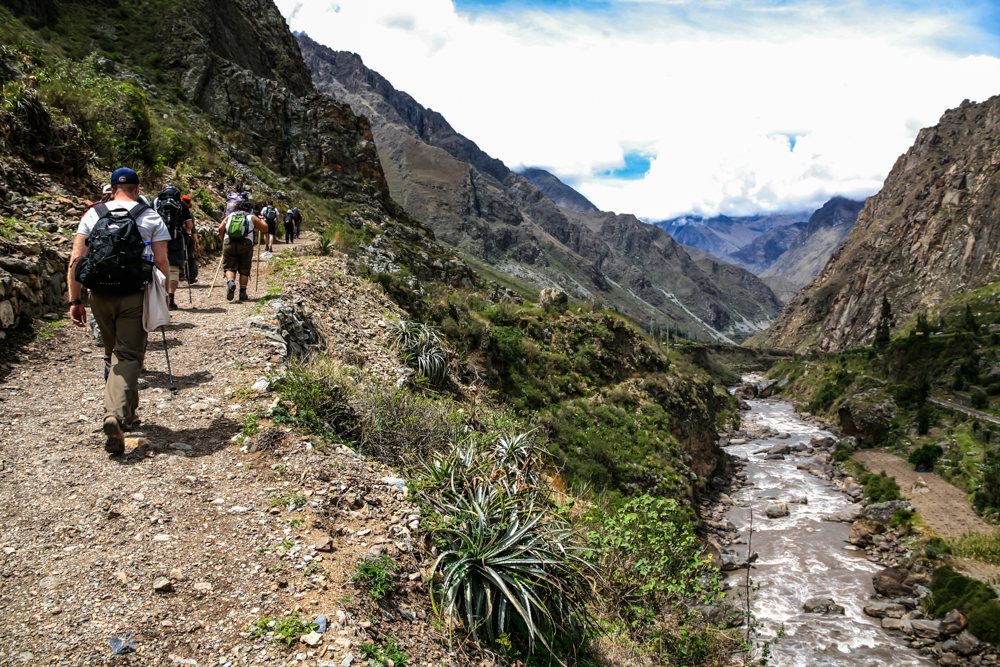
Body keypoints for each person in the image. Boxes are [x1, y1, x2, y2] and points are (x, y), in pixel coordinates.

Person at [68, 167, 170, 455]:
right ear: (137, 189)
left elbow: (76, 259)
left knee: (112, 353)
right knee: (127, 355)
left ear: (112, 189)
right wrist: (163, 298)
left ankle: (128, 412)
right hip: (134, 295)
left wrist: (75, 300)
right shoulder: (149, 215)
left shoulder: (93, 214)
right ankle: (114, 415)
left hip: (99, 295)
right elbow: (162, 262)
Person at [153, 185, 194, 310]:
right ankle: (170, 297)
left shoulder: (155, 202)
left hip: (157, 239)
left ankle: (159, 298)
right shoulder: (181, 204)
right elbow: (189, 225)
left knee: (157, 268)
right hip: (176, 239)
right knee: (174, 269)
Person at [218, 199, 267, 302]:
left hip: (229, 242)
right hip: (245, 244)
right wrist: (262, 219)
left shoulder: (230, 215)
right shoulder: (252, 217)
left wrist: (224, 240)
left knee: (229, 266)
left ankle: (231, 281)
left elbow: (220, 228)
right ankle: (242, 294)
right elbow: (265, 229)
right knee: (244, 268)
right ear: (250, 208)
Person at [180, 195, 200, 283]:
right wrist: (197, 241)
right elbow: (193, 229)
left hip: (174, 237)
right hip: (186, 236)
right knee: (190, 256)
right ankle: (191, 277)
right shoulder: (187, 212)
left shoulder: (175, 210)